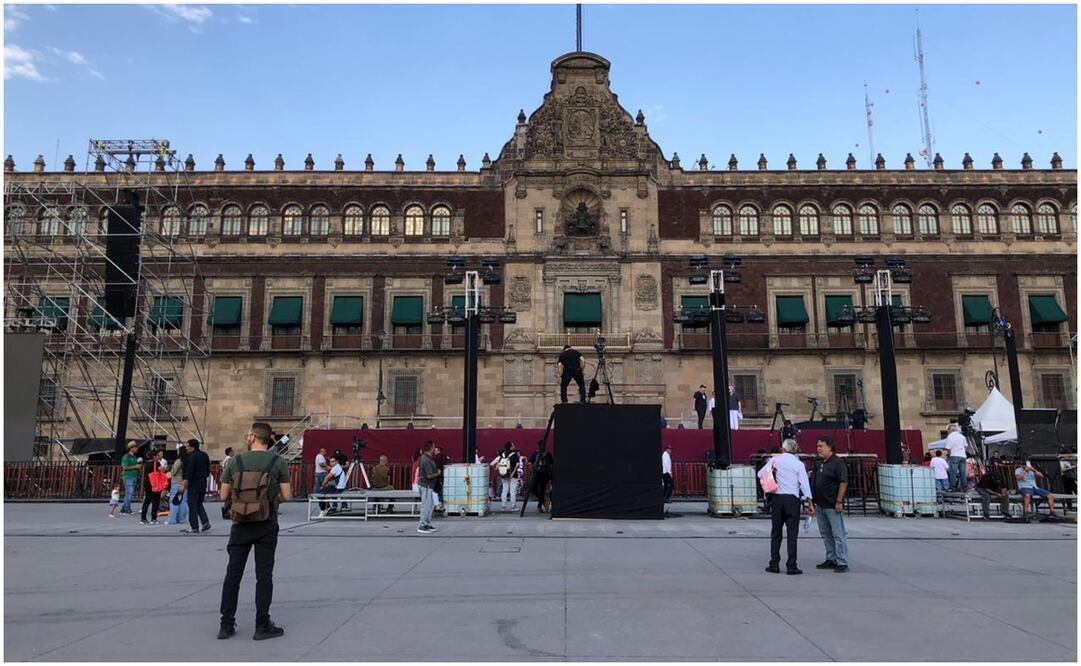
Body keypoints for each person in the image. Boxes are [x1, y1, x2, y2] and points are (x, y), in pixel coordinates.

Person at [217, 421, 291, 641]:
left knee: (233, 575)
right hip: (266, 523)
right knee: (264, 576)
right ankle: (262, 625)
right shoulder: (278, 462)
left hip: (240, 524)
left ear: (253, 437)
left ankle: (226, 624)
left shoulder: (236, 461)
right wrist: (268, 501)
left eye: (248, 434)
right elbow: (287, 495)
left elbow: (223, 495)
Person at [758, 438, 812, 575]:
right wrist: (809, 501)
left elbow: (760, 473)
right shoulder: (798, 464)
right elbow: (804, 484)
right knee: (792, 534)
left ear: (783, 449)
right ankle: (791, 565)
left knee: (776, 533)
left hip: (777, 498)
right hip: (792, 500)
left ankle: (774, 563)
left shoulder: (775, 460)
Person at [811, 436, 849, 573]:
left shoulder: (837, 463)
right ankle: (831, 557)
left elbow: (843, 482)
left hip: (832, 504)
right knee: (825, 533)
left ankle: (842, 561)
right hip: (820, 504)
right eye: (817, 446)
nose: (818, 449)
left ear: (830, 447)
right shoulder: (821, 463)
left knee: (838, 533)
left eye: (821, 446)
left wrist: (839, 501)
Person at [180, 439, 212, 533]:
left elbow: (189, 471)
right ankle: (205, 522)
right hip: (203, 482)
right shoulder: (204, 455)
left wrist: (184, 484)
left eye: (188, 446)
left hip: (194, 482)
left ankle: (194, 526)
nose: (186, 448)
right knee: (198, 503)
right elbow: (208, 469)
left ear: (193, 447)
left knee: (192, 504)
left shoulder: (192, 457)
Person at [927, 424, 969, 492]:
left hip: (954, 455)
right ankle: (965, 487)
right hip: (963, 456)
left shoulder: (951, 436)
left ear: (951, 430)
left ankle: (952, 487)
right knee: (962, 472)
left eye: (948, 430)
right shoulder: (962, 436)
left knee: (953, 472)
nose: (947, 432)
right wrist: (963, 452)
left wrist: (949, 455)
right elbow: (966, 446)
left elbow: (948, 447)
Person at [490, 442, 521, 511]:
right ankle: (513, 506)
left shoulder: (503, 454)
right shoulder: (514, 455)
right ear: (510, 447)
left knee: (504, 490)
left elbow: (498, 464)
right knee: (512, 490)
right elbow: (517, 465)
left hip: (504, 474)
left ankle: (503, 506)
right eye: (513, 445)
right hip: (513, 475)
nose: (514, 446)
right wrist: (512, 474)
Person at [417, 441, 441, 533]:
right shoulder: (426, 460)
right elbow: (429, 475)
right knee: (426, 505)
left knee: (430, 505)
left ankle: (427, 523)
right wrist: (438, 473)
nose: (435, 449)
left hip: (428, 486)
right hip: (426, 486)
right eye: (434, 447)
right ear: (431, 448)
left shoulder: (428, 458)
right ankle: (422, 525)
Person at [140, 450, 165, 524]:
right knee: (155, 501)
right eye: (157, 455)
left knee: (147, 501)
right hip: (155, 484)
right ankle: (153, 518)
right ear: (154, 456)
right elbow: (162, 470)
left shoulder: (146, 463)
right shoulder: (156, 463)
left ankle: (143, 518)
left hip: (148, 484)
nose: (159, 457)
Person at [529, 440, 554, 513]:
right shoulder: (544, 453)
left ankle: (540, 506)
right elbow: (551, 464)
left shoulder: (539, 453)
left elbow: (530, 463)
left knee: (540, 489)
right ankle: (543, 501)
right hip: (541, 473)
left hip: (541, 473)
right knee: (537, 489)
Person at [167, 448, 189, 525]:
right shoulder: (188, 461)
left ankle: (172, 520)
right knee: (183, 501)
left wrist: (171, 470)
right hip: (184, 483)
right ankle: (181, 518)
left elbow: (174, 472)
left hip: (176, 483)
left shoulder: (178, 461)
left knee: (174, 501)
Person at [120, 441, 140, 515]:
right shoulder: (126, 457)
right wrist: (136, 467)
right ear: (131, 448)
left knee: (129, 493)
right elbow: (124, 467)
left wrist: (138, 467)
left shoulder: (134, 457)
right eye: (135, 447)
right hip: (128, 476)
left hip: (134, 476)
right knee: (129, 493)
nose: (137, 449)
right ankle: (127, 508)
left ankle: (124, 508)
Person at [432, 444, 448, 512]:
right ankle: (441, 505)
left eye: (436, 450)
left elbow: (437, 467)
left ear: (439, 451)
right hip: (443, 477)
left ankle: (438, 505)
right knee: (441, 491)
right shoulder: (444, 457)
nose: (435, 451)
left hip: (438, 477)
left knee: (437, 491)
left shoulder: (437, 457)